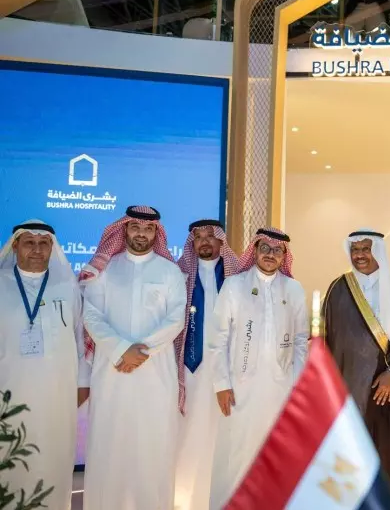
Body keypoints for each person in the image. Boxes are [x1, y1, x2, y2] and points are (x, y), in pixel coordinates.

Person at [81, 206, 188, 510]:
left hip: (156, 374)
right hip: (112, 371)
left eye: (148, 229)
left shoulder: (170, 272)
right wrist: (119, 349)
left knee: (154, 447)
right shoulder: (104, 269)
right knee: (109, 445)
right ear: (124, 229)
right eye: (135, 227)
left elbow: (175, 319)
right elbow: (91, 314)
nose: (142, 234)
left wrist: (141, 352)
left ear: (157, 233)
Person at [322, 229, 390, 509]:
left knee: (388, 461)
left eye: (365, 249)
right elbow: (331, 343)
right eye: (355, 250)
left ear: (377, 250)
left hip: (388, 395)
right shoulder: (339, 288)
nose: (359, 255)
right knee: (353, 464)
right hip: (350, 395)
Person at [208, 228, 309, 509]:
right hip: (240, 387)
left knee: (276, 454)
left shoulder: (293, 289)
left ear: (284, 256)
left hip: (280, 387)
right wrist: (221, 384)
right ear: (254, 250)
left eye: (277, 250)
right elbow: (217, 339)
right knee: (237, 454)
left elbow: (301, 340)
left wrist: (297, 387)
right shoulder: (234, 285)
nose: (270, 255)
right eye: (265, 248)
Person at [0, 220, 89, 510]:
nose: (37, 250)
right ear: (15, 246)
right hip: (9, 391)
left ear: (52, 248)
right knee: (11, 457)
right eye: (29, 242)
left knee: (54, 456)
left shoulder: (67, 286)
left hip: (57, 393)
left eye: (44, 243)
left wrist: (83, 383)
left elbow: (79, 337)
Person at [174, 220, 239, 510]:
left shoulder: (237, 277)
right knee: (190, 435)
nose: (204, 242)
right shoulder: (179, 275)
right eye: (198, 237)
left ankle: (221, 497)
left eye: (210, 237)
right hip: (191, 370)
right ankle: (185, 500)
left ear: (221, 241)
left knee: (223, 435)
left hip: (230, 370)